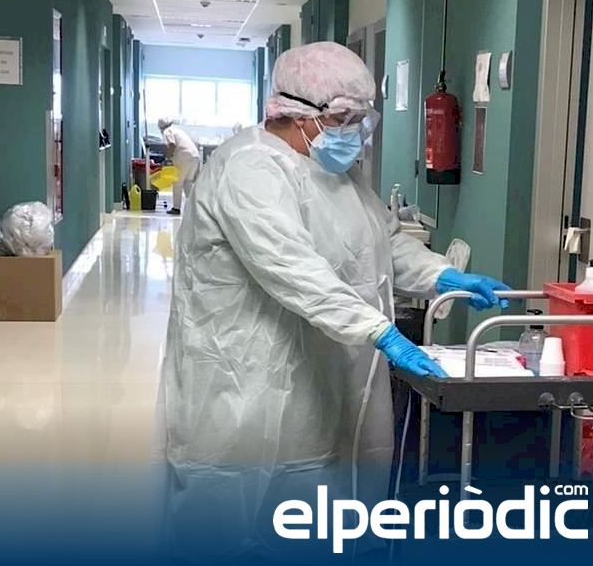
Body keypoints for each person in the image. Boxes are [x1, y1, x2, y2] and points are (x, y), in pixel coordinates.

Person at [160, 41, 509, 561]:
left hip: (323, 373)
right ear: (296, 110)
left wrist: (443, 275)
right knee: (235, 515)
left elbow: (382, 239)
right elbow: (294, 269)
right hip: (244, 379)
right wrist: (380, 331)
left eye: (361, 118)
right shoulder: (248, 169)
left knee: (317, 511)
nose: (355, 131)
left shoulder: (335, 172)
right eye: (343, 118)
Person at [159, 117, 201, 216]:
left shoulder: (167, 131)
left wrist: (168, 158)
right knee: (187, 182)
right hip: (195, 156)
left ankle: (176, 208)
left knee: (177, 182)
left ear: (161, 127)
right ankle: (194, 208)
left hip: (184, 157)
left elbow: (172, 145)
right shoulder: (177, 130)